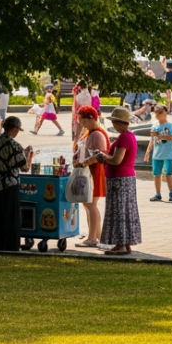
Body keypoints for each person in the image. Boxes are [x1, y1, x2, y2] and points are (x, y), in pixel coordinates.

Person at [84, 107, 141, 255]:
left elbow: (116, 160)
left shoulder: (124, 137)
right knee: (125, 211)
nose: (113, 125)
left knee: (118, 211)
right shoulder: (130, 136)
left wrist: (102, 157)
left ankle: (120, 244)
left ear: (119, 122)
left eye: (114, 122)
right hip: (125, 178)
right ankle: (125, 243)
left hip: (119, 179)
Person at [0, 115, 33, 251]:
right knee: (11, 217)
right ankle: (11, 245)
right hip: (8, 185)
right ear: (15, 128)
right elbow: (24, 167)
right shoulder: (15, 145)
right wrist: (28, 154)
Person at [72, 106, 109, 248]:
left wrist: (82, 163)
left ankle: (93, 238)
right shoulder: (91, 132)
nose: (82, 124)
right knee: (88, 204)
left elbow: (97, 156)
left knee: (90, 204)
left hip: (94, 172)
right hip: (88, 171)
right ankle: (97, 235)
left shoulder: (97, 134)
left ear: (91, 118)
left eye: (84, 121)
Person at [144, 105, 172, 202]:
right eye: (155, 113)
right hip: (157, 154)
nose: (157, 115)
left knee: (168, 173)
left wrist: (162, 136)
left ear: (165, 113)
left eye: (159, 113)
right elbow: (152, 139)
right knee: (156, 174)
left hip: (168, 154)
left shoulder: (170, 125)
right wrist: (148, 151)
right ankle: (158, 194)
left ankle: (171, 192)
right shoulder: (154, 125)